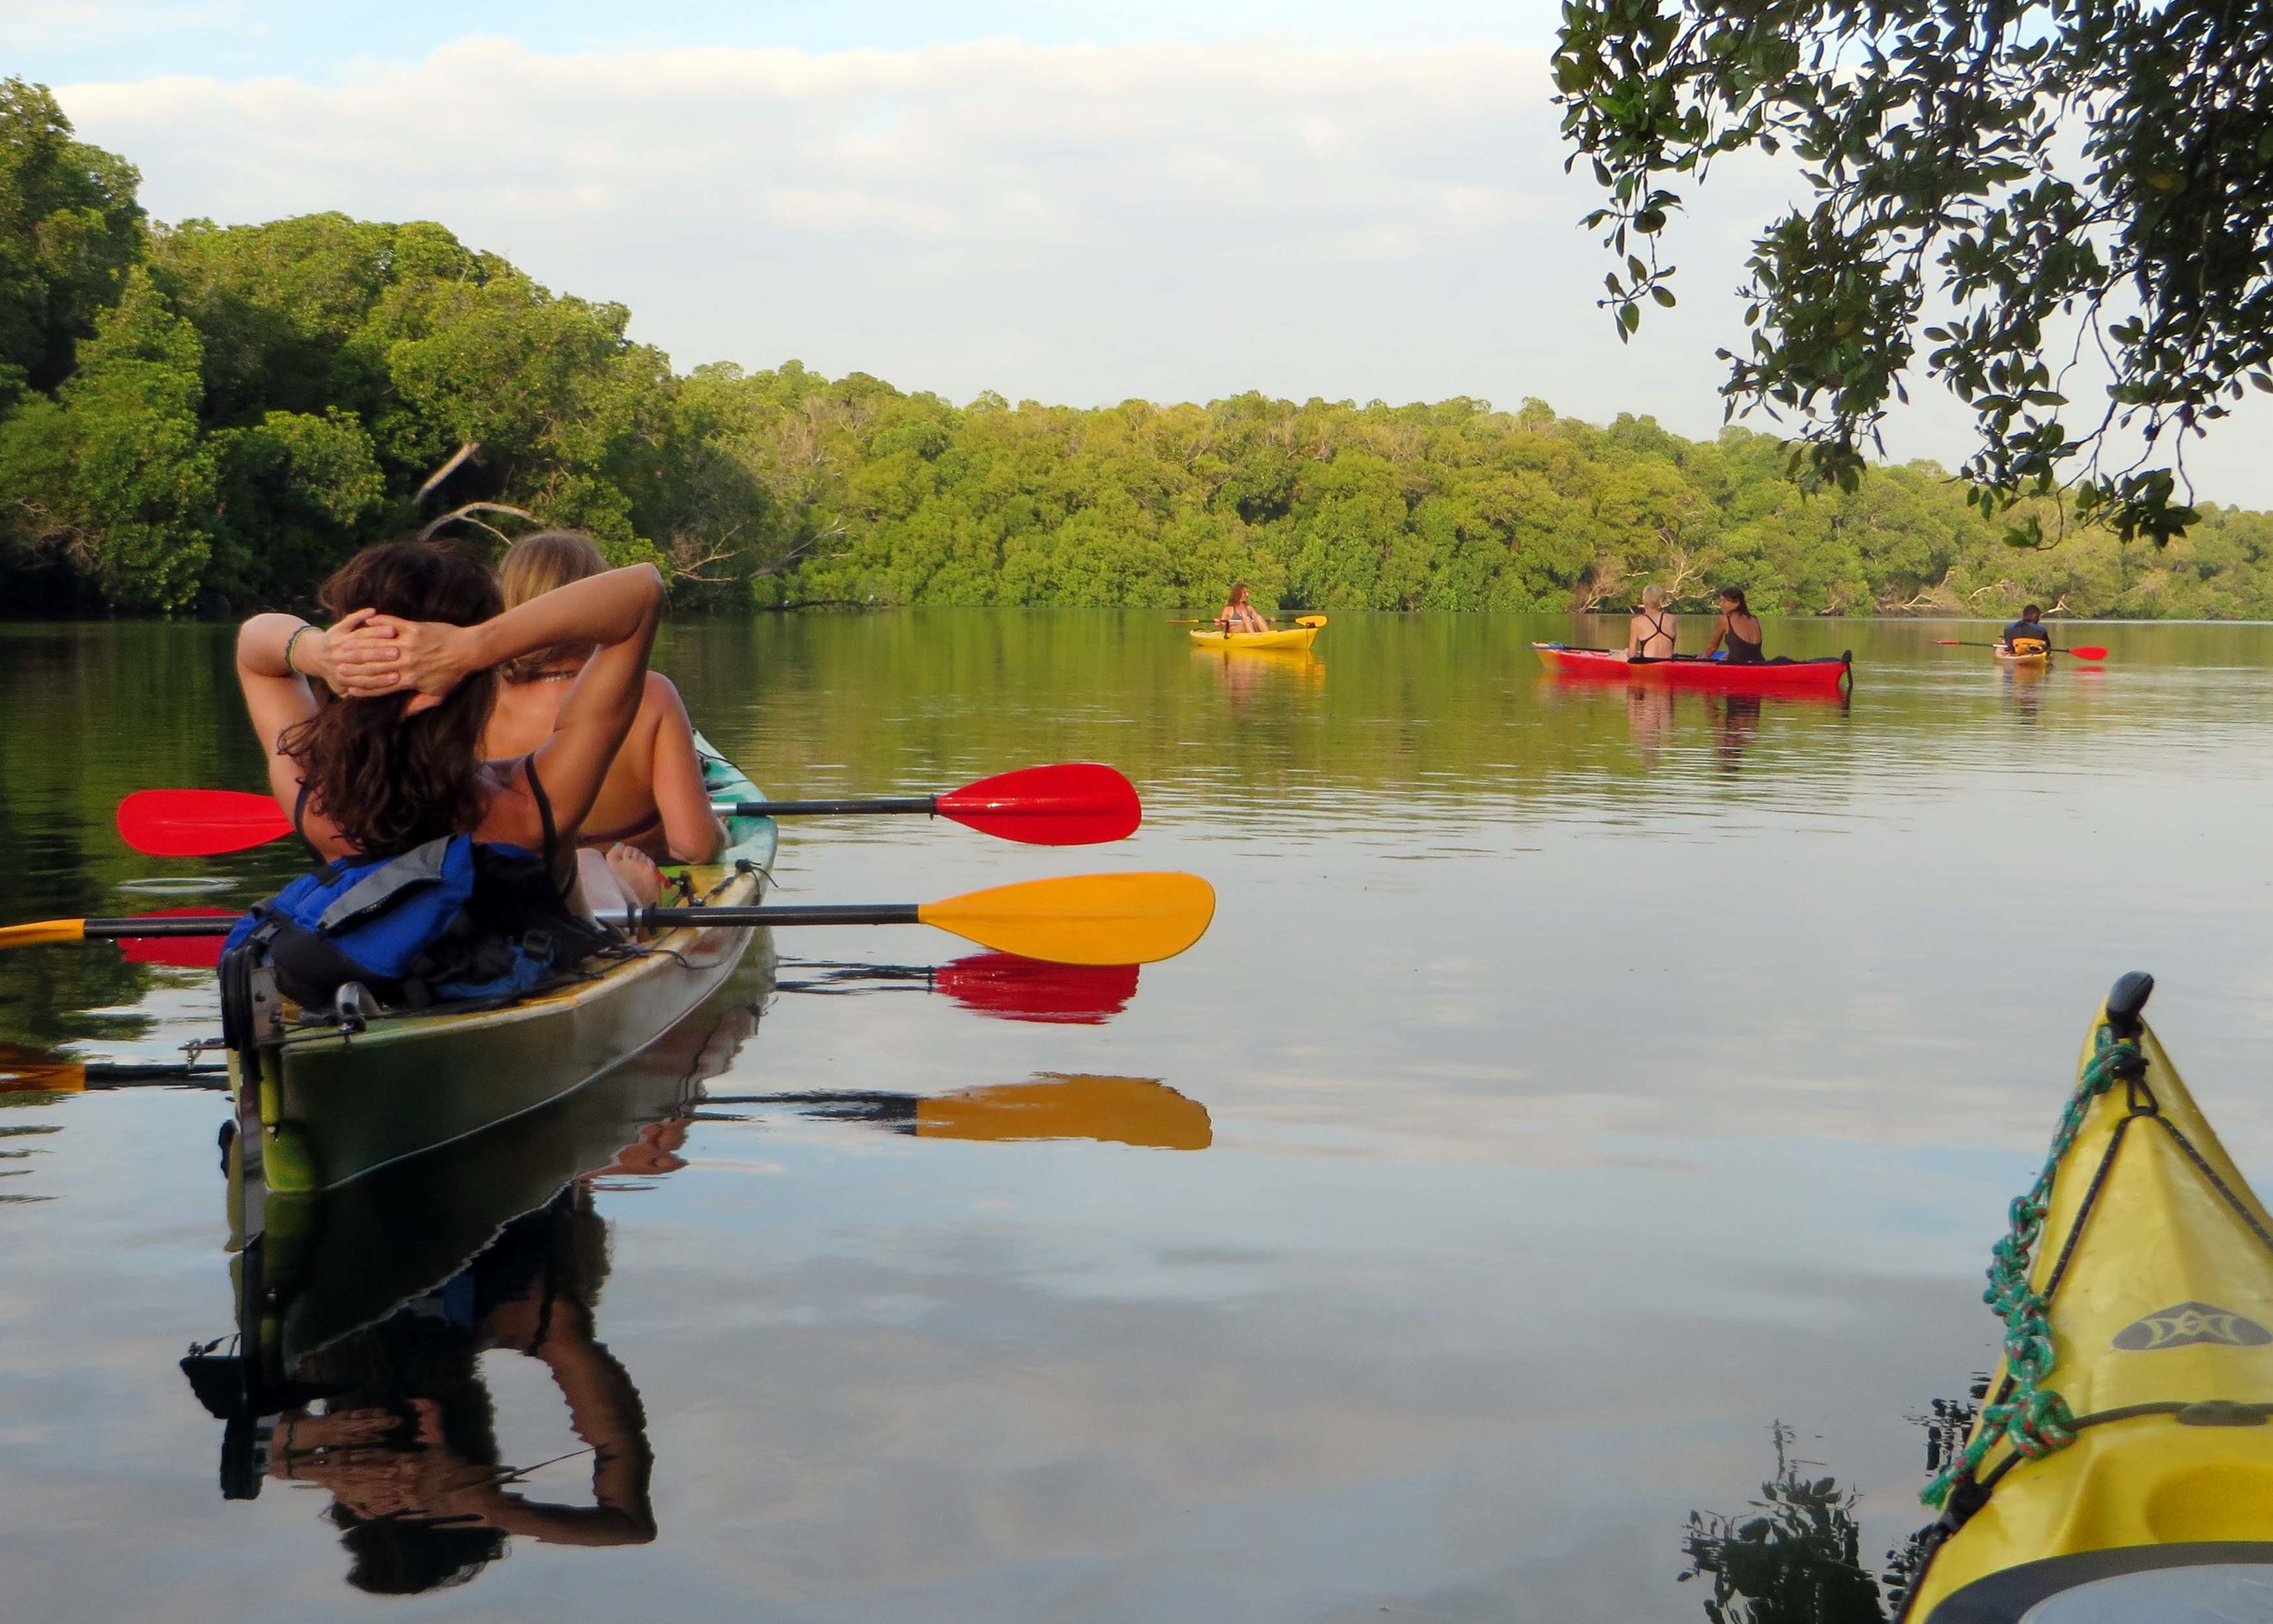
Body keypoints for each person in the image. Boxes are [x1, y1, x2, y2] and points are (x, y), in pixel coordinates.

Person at [232, 539, 669, 947]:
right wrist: (474, 648)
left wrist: (320, 651)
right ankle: (634, 898)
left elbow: (256, 644)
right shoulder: (533, 806)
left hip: (388, 977)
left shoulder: (312, 792)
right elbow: (642, 591)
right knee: (592, 865)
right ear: (480, 686)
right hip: (538, 961)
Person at [479, 532, 726, 865]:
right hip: (626, 882)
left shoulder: (477, 701)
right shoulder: (651, 694)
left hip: (521, 885)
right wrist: (720, 833)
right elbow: (693, 846)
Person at [1704, 586, 1766, 664]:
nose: (1721, 605)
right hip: (1759, 663)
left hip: (1738, 665)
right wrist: (1727, 655)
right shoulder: (1753, 619)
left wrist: (1700, 661)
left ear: (1736, 603)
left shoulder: (1725, 619)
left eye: (1724, 601)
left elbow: (1712, 648)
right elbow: (1745, 648)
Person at [1626, 583, 1677, 660]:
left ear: (1644, 599)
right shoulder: (1671, 619)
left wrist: (1627, 652)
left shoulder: (1636, 621)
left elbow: (1632, 655)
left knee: (1626, 651)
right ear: (1660, 599)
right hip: (1668, 663)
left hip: (1648, 665)